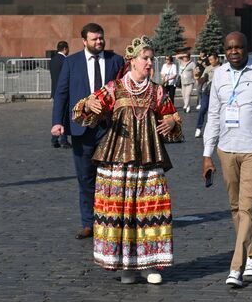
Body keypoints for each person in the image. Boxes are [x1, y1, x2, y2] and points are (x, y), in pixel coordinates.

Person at [72, 37, 182, 284]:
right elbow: (82, 112)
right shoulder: (115, 88)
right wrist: (89, 104)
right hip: (117, 160)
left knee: (150, 211)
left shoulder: (157, 91)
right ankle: (126, 266)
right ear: (132, 60)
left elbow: (173, 116)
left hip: (149, 161)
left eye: (152, 59)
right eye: (146, 58)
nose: (150, 63)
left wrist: (173, 122)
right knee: (121, 212)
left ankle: (150, 264)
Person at [202, 32, 252, 288]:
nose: (234, 51)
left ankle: (235, 268)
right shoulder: (219, 75)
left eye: (239, 47)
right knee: (236, 208)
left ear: (247, 48)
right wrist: (207, 153)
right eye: (229, 48)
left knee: (247, 206)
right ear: (224, 50)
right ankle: (251, 254)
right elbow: (213, 114)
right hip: (226, 150)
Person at [52, 23, 125, 238]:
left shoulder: (116, 60)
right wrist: (57, 121)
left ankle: (111, 221)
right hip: (80, 129)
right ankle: (89, 223)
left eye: (101, 38)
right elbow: (62, 94)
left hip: (110, 129)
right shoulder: (72, 62)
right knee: (85, 178)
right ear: (84, 41)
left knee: (111, 177)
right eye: (94, 39)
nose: (99, 42)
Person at [48, 40, 71, 149]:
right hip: (64, 92)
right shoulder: (66, 61)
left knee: (57, 115)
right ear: (65, 49)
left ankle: (54, 139)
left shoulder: (52, 60)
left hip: (54, 91)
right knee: (65, 116)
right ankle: (64, 140)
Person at [194, 51, 221, 138]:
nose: (210, 62)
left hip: (219, 93)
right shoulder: (208, 68)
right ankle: (198, 128)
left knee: (217, 112)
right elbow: (203, 80)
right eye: (209, 60)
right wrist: (197, 77)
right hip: (207, 91)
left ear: (217, 59)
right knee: (203, 109)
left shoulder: (223, 68)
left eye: (212, 60)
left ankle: (218, 130)